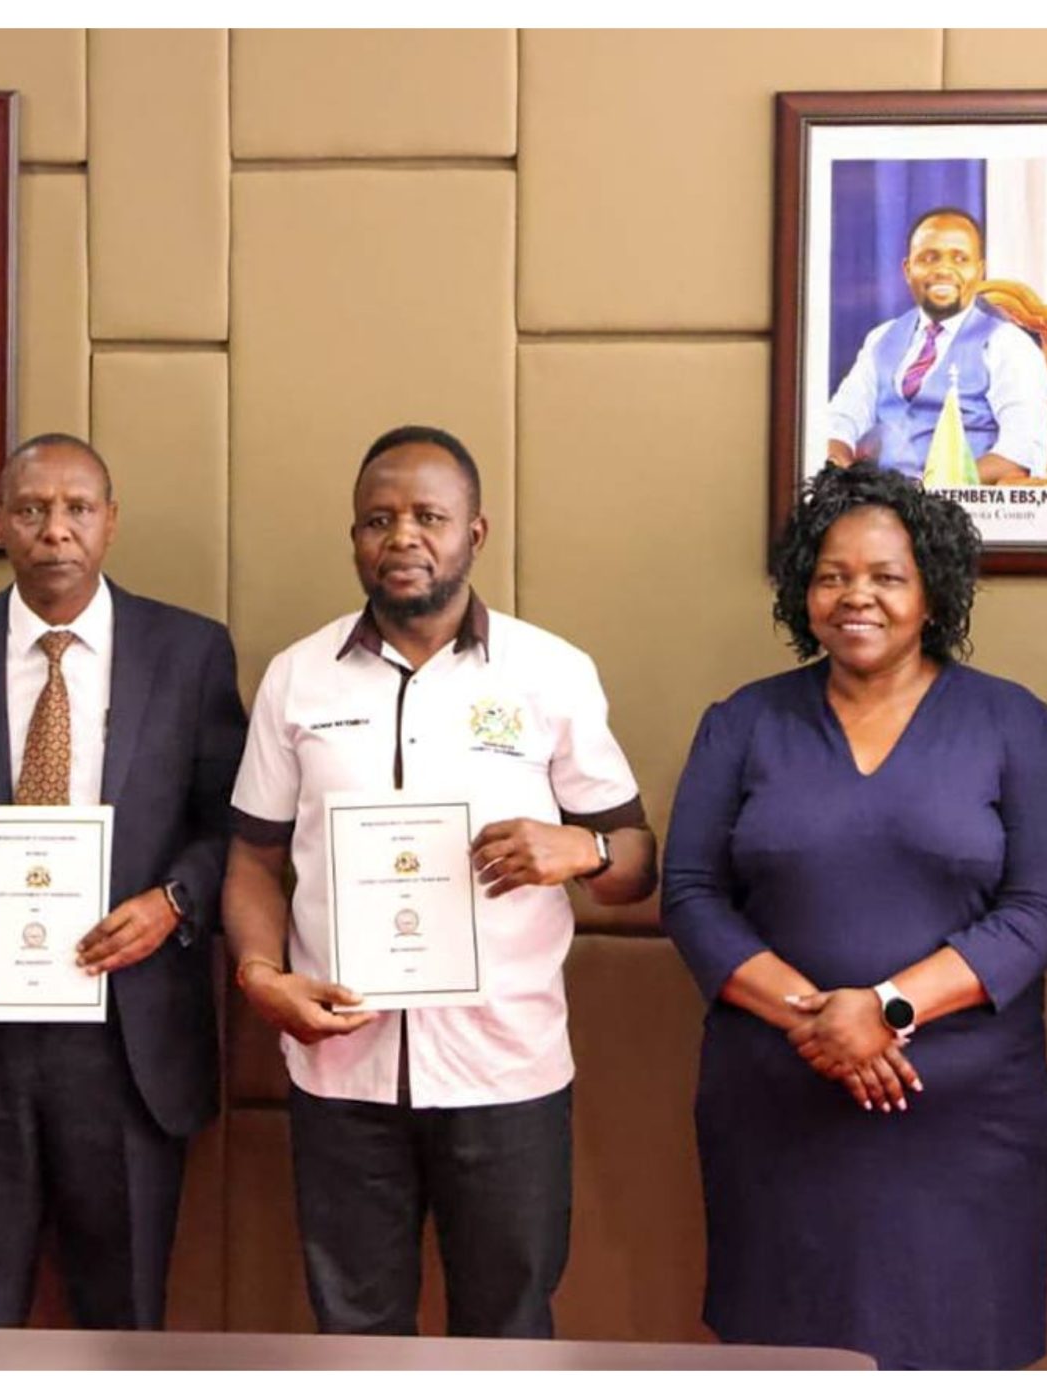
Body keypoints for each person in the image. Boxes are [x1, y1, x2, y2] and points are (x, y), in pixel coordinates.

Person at [221, 425, 657, 1338]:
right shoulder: (297, 679)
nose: (403, 537)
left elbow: (635, 859)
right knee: (354, 1334)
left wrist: (582, 851)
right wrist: (261, 976)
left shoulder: (550, 672)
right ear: (354, 537)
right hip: (342, 1070)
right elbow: (255, 859)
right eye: (378, 519)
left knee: (507, 1330)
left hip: (506, 1070)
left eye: (429, 516)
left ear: (475, 532)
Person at [661, 465, 1047, 1368]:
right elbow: (692, 893)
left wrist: (885, 1009)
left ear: (932, 594)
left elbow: (1043, 910)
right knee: (786, 1360)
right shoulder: (743, 722)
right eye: (833, 575)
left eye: (887, 576)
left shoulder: (1014, 724)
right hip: (778, 1106)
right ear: (803, 592)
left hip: (961, 1117)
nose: (857, 596)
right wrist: (818, 1020)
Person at [0, 432, 245, 1328]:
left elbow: (228, 823)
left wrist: (173, 903)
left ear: (111, 522)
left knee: (124, 1324)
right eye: (33, 509)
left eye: (78, 509)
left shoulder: (189, 650)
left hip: (126, 1038)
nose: (56, 530)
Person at [821, 207, 1047, 484]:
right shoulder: (881, 338)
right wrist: (838, 466)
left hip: (960, 504)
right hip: (879, 501)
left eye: (960, 258)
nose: (943, 270)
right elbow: (841, 419)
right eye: (929, 258)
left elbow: (1022, 452)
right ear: (908, 270)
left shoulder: (1008, 345)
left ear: (980, 271)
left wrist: (931, 490)